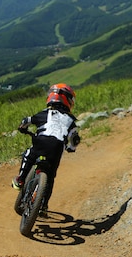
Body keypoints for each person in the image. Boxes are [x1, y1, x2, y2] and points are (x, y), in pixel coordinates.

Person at [12, 83, 81, 215]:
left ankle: (21, 179)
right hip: (57, 148)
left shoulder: (45, 113)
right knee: (50, 177)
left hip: (41, 142)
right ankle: (43, 206)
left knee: (28, 155)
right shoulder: (71, 120)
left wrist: (22, 127)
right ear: (68, 101)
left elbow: (27, 120)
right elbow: (75, 139)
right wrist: (71, 148)